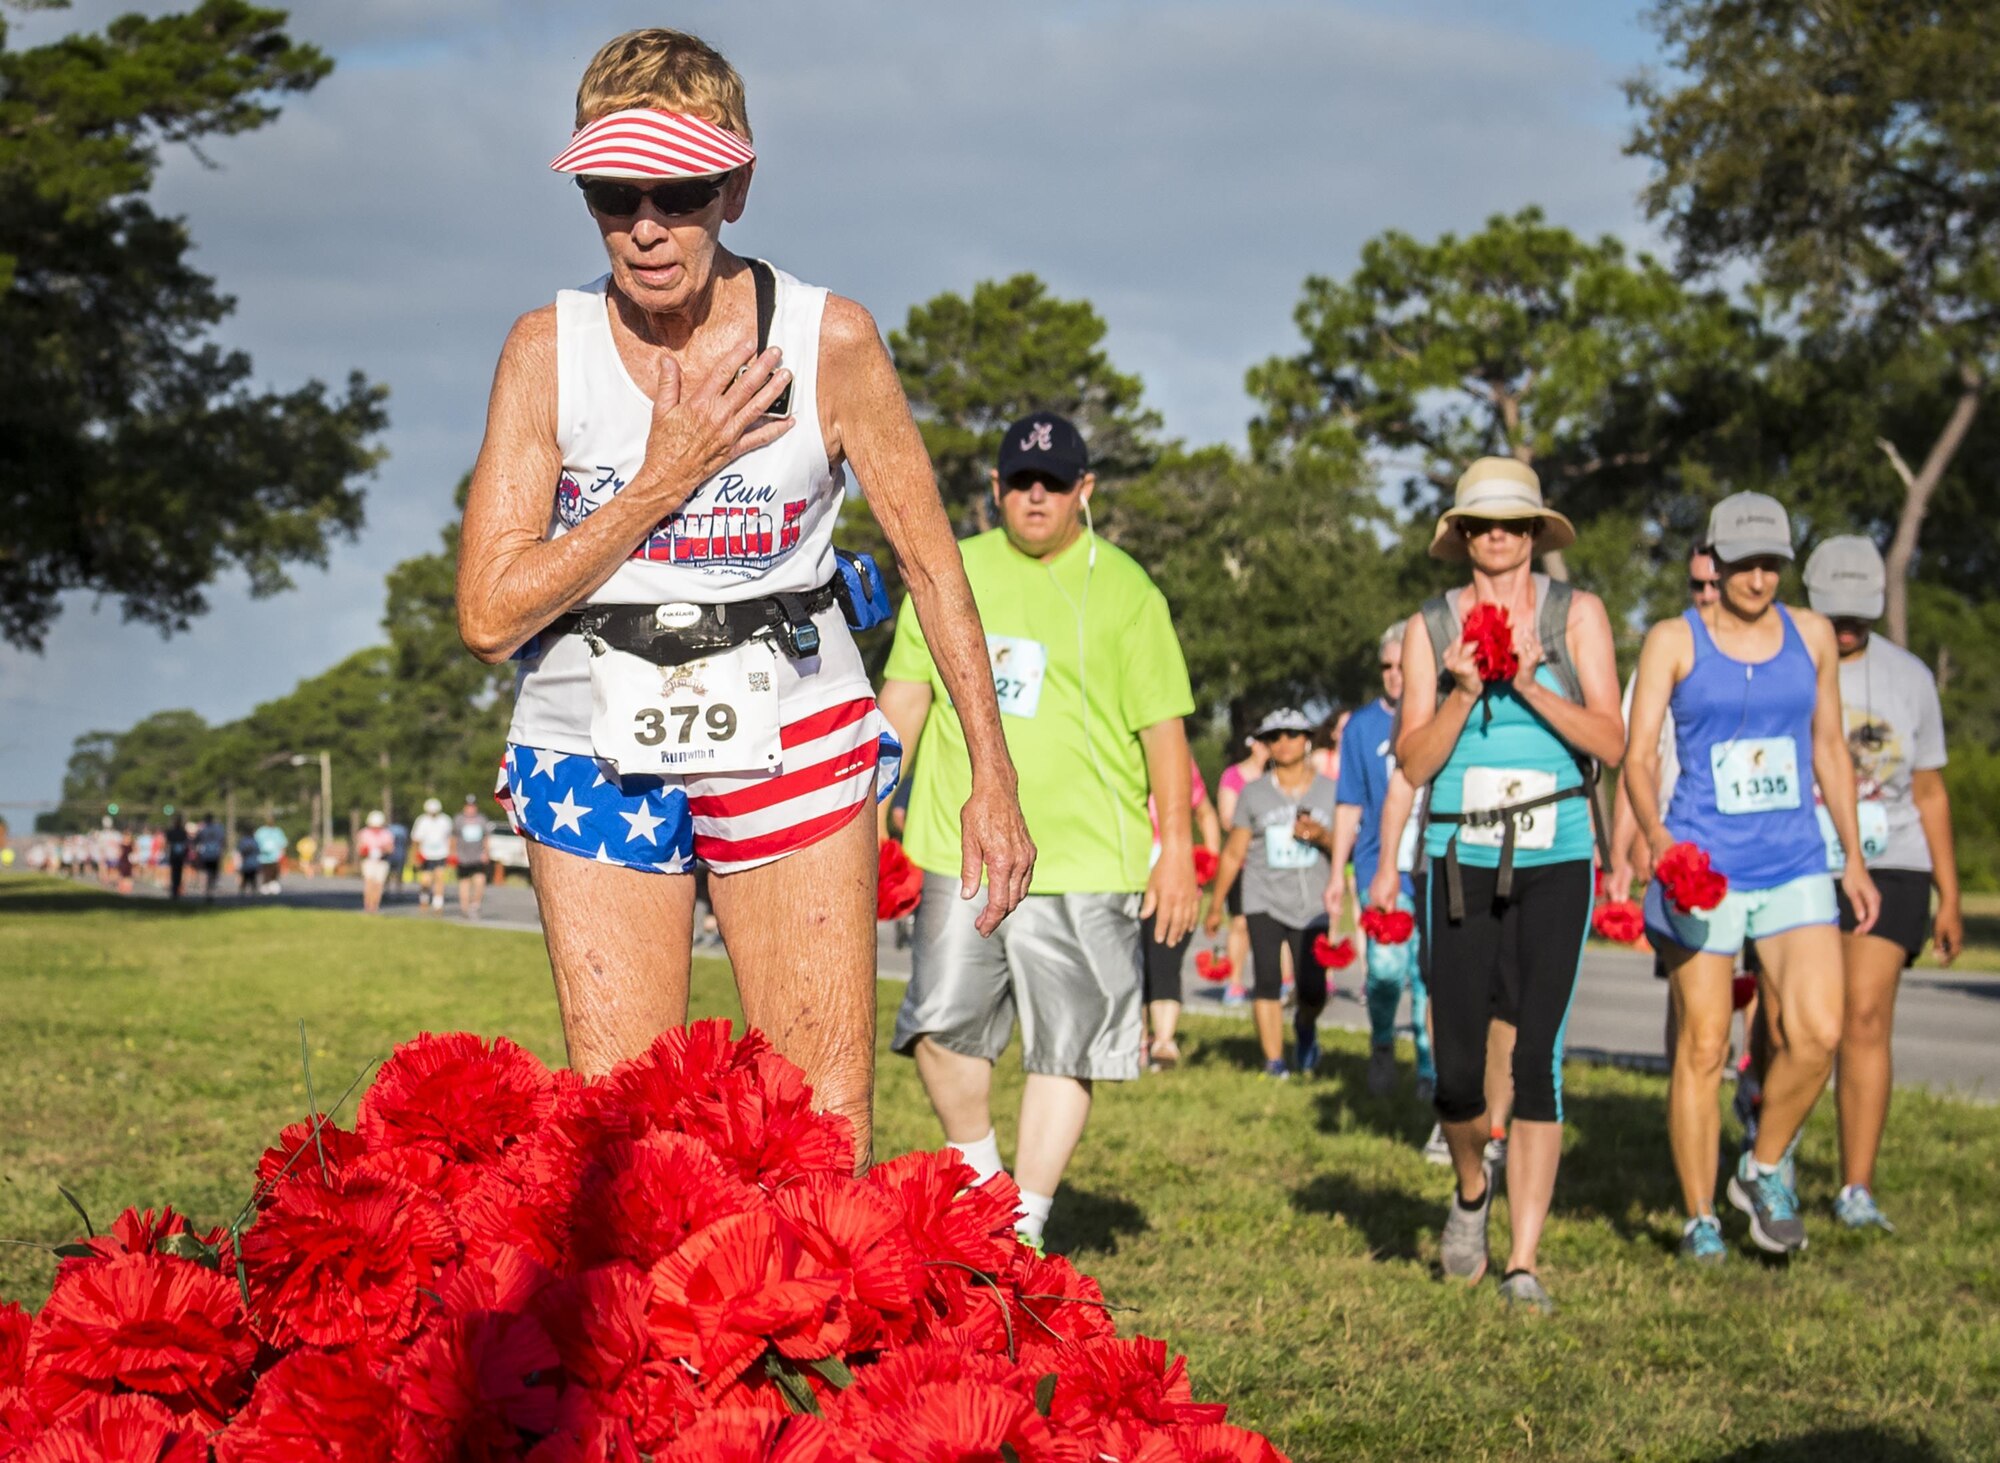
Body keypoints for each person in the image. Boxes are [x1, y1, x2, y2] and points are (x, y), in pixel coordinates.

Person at [455, 28, 1033, 1163]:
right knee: (622, 1135)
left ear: (737, 187)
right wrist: (663, 474)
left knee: (817, 1123)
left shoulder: (830, 339)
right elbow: (488, 616)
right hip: (593, 739)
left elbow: (931, 566)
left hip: (794, 718)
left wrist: (991, 774)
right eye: (612, 195)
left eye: (679, 191)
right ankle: (651, 1344)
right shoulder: (546, 350)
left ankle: (814, 1335)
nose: (645, 227)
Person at [883, 410, 1196, 1244]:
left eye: (1053, 483)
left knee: (1070, 1044)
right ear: (993, 489)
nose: (1034, 496)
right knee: (939, 1026)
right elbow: (906, 695)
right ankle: (985, 1183)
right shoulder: (951, 572)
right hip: (964, 849)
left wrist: (1179, 855)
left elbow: (1166, 730)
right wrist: (872, 805)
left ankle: (1025, 1223)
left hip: (1089, 855)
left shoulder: (1128, 588)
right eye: (1019, 481)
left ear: (1082, 491)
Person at [1395, 458, 1624, 1314]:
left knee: (1536, 1058)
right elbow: (1414, 763)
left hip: (1556, 856)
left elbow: (1613, 736)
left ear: (1535, 534)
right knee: (1457, 1070)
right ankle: (1468, 1191)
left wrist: (1526, 679)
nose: (1499, 536)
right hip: (1458, 859)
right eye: (1483, 523)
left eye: (1515, 523)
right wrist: (1461, 690)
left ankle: (1523, 1260)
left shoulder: (1579, 616)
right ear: (1460, 536)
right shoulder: (1428, 626)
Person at [1626, 493, 1880, 1263]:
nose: (1758, 577)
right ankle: (1700, 1213)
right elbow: (1637, 760)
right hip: (1705, 868)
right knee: (1703, 1046)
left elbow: (1830, 747)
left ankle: (1762, 1165)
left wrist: (1855, 857)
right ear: (1714, 559)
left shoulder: (1810, 636)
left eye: (1772, 563)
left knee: (1818, 1033)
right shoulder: (1674, 639)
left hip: (1795, 859)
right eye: (1743, 563)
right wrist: (1662, 841)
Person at [1803, 536, 1961, 1233]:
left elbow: (1928, 791)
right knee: (1799, 1024)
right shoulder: (1784, 659)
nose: (1845, 626)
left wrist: (1950, 894)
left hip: (1893, 858)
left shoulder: (1911, 677)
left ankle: (1855, 1187)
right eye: (1834, 611)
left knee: (1865, 1018)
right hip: (1803, 856)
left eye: (1858, 614)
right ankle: (1767, 1157)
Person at [1329, 624, 1433, 1102]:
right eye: (1387, 667)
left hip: (1435, 868)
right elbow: (1349, 803)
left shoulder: (1442, 714)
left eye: (1402, 666)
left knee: (1430, 974)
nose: (1394, 676)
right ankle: (1383, 1044)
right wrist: (1337, 874)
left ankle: (1430, 1065)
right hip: (1379, 869)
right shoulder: (1362, 727)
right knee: (1387, 970)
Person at [1207, 708, 1340, 1079]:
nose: (1283, 743)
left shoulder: (1330, 791)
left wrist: (1323, 836)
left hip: (1312, 901)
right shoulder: (1254, 794)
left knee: (1312, 989)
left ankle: (1305, 1026)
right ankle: (1274, 1060)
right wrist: (1216, 905)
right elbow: (1235, 852)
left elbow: (1346, 845)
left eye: (1292, 734)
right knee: (1265, 978)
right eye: (1275, 736)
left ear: (1307, 739)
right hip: (1262, 896)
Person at [1144, 759, 1222, 1068]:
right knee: (1133, 960)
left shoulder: (1180, 764)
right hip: (1126, 875)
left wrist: (1208, 860)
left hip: (1175, 881)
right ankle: (1136, 1039)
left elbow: (1205, 814)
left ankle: (1164, 1040)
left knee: (1166, 955)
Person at [1214, 739, 1269, 1007]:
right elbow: (1227, 819)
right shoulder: (1233, 776)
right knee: (1240, 922)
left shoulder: (1275, 774)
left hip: (1273, 863)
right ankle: (1234, 983)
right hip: (1243, 862)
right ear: (1253, 744)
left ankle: (1281, 982)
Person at [410, 798, 455, 914]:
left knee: (439, 878)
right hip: (426, 854)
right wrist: (415, 856)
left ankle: (438, 903)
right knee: (426, 880)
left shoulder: (445, 820)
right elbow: (416, 839)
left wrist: (452, 852)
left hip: (441, 854)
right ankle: (424, 898)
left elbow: (450, 838)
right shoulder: (422, 821)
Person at [453, 795, 494, 920]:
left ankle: (475, 905)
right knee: (464, 883)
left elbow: (486, 838)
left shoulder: (482, 820)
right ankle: (464, 908)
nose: (470, 808)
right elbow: (453, 837)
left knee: (480, 881)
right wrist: (453, 852)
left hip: (478, 857)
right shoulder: (459, 820)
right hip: (463, 857)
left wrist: (486, 852)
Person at [357, 811, 396, 914]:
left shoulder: (387, 834)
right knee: (369, 883)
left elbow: (391, 848)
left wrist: (382, 849)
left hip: (382, 861)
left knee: (378, 885)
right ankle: (367, 906)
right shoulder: (364, 833)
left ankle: (375, 906)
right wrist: (366, 851)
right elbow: (360, 848)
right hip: (369, 861)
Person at [252, 817, 288, 897]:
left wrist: (282, 853)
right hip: (263, 856)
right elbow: (256, 842)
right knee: (265, 871)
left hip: (275, 856)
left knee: (274, 870)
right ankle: (265, 884)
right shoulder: (261, 831)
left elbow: (283, 842)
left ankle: (273, 883)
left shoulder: (277, 831)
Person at [193, 815, 224, 901]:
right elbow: (222, 840)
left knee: (205, 872)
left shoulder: (203, 830)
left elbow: (196, 841)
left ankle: (205, 890)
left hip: (205, 854)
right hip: (215, 854)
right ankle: (211, 890)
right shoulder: (218, 829)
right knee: (213, 872)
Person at [164, 815, 190, 900]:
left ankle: (175, 890)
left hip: (176, 855)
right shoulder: (181, 833)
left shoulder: (174, 832)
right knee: (176, 873)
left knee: (175, 873)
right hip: (177, 855)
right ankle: (175, 890)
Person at [388, 818, 410, 905]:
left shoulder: (389, 828)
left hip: (392, 855)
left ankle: (388, 891)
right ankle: (398, 892)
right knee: (398, 875)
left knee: (389, 875)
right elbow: (406, 842)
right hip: (400, 854)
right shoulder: (403, 829)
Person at [236, 829, 260, 897]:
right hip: (254, 863)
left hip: (245, 863)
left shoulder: (243, 841)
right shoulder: (255, 841)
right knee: (253, 878)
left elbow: (240, 852)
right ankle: (254, 891)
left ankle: (242, 891)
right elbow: (258, 851)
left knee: (245, 878)